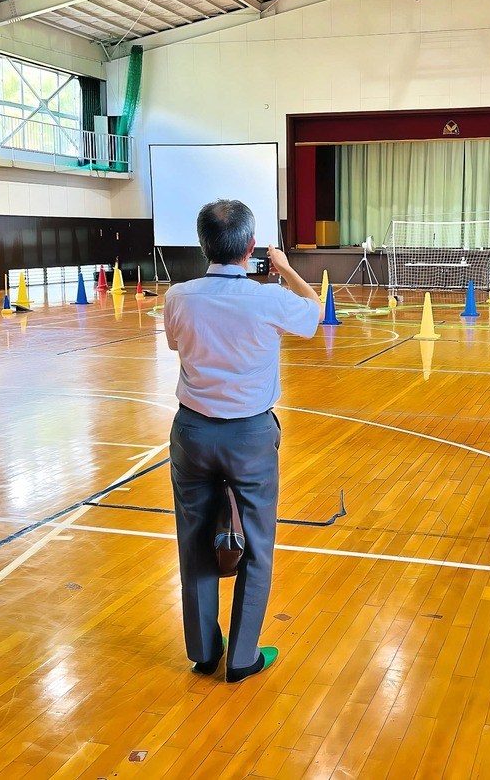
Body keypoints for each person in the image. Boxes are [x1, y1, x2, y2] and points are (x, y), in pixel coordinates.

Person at [164, 199, 322, 682]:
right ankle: (242, 656)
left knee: (193, 542)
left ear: (202, 244)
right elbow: (316, 314)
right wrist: (289, 271)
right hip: (250, 434)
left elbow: (175, 345)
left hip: (191, 431)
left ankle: (204, 650)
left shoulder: (178, 296)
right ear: (252, 247)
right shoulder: (268, 298)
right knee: (257, 543)